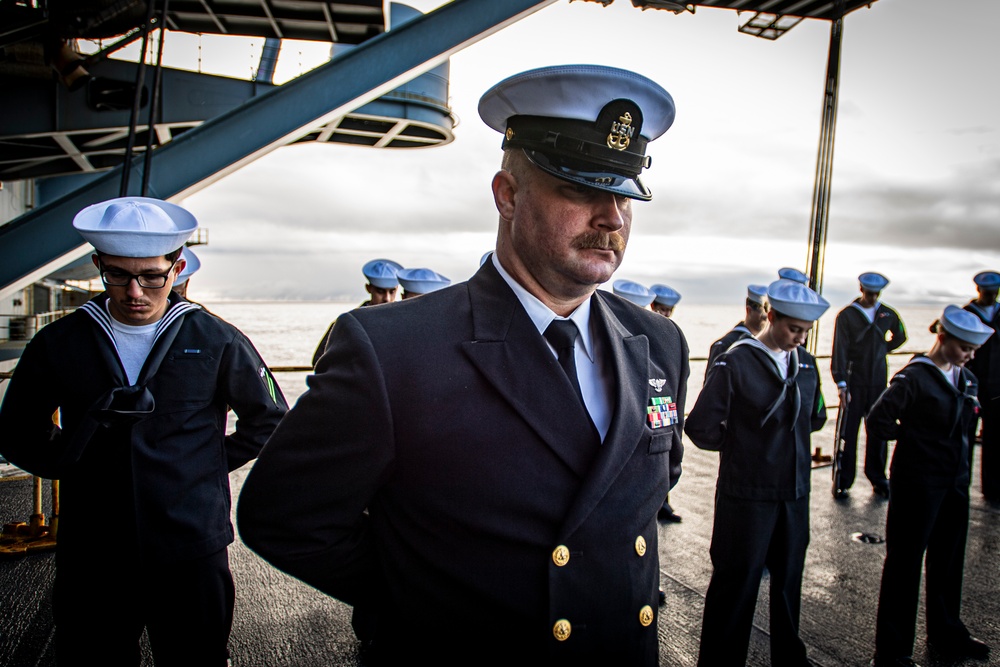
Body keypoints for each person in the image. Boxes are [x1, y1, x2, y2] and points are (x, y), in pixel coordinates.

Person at [237, 64, 688, 665]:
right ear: (507, 194)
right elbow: (285, 518)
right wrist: (429, 598)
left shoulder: (658, 342)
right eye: (580, 189)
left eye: (625, 192)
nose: (611, 216)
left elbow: (646, 485)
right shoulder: (392, 349)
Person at [0, 196, 288, 666]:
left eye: (152, 276)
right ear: (98, 265)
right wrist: (70, 459)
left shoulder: (216, 340)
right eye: (118, 275)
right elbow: (16, 429)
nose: (135, 291)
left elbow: (270, 419)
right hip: (94, 549)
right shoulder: (60, 342)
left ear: (175, 269)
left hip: (191, 545)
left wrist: (202, 466)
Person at [686, 279, 828, 667]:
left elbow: (815, 416)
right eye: (793, 329)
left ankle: (789, 658)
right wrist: (744, 450)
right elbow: (700, 426)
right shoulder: (736, 361)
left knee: (788, 584)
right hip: (746, 494)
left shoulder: (808, 364)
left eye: (806, 332)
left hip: (794, 493)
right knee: (736, 585)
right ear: (771, 315)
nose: (799, 339)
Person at [868, 306, 994, 667]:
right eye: (964, 347)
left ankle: (947, 631)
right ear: (943, 337)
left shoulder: (967, 379)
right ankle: (892, 651)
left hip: (955, 483)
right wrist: (911, 440)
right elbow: (878, 419)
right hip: (918, 484)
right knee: (904, 564)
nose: (970, 355)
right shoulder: (915, 377)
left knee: (949, 560)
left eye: (974, 349)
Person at [830, 272, 907, 498]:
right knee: (849, 431)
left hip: (878, 379)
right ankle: (844, 479)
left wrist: (883, 348)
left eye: (876, 294)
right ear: (861, 290)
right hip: (854, 379)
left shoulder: (887, 314)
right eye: (869, 293)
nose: (873, 298)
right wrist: (841, 381)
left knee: (878, 431)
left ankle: (878, 477)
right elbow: (840, 349)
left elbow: (901, 336)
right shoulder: (847, 316)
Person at [311, 258, 402, 365]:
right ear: (369, 288)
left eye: (392, 292)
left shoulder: (402, 324)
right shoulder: (348, 323)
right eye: (380, 291)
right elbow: (319, 360)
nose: (387, 298)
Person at [964, 270, 1000, 500]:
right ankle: (960, 482)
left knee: (995, 438)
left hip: (998, 386)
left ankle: (994, 487)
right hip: (971, 383)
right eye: (987, 293)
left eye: (994, 293)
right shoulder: (967, 314)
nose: (990, 296)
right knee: (963, 436)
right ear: (978, 291)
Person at [704, 283, 769, 380]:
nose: (766, 317)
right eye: (762, 311)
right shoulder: (725, 345)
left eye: (769, 312)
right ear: (749, 310)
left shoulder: (766, 345)